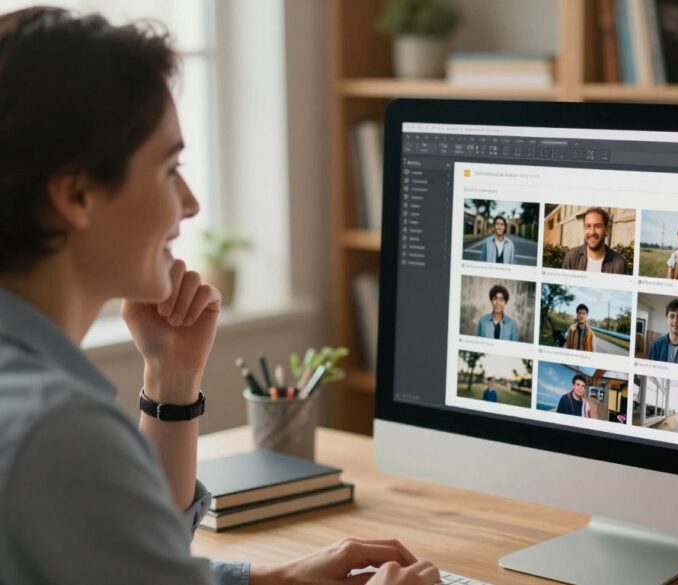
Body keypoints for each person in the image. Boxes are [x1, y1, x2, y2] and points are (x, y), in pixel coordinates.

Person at [0, 8, 438, 585]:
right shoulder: (56, 430)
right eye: (169, 169)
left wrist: (172, 381)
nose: (190, 204)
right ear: (77, 194)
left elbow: (135, 566)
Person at [560, 207, 629, 274]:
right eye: (588, 226)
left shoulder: (619, 264)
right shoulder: (571, 257)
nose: (592, 232)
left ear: (606, 229)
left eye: (597, 226)